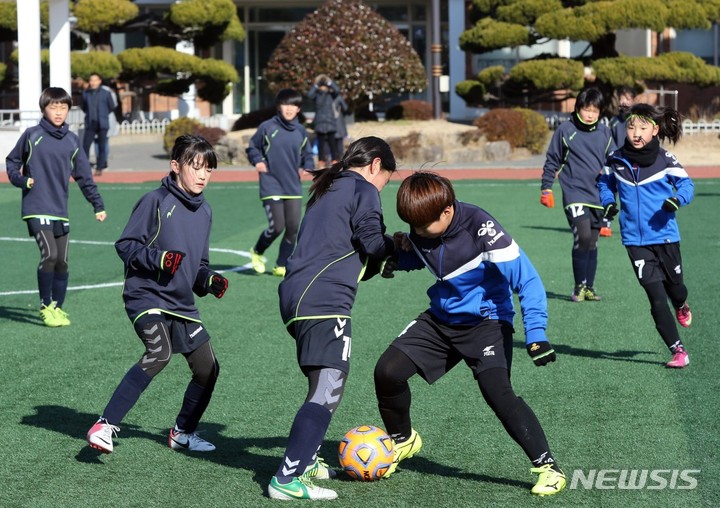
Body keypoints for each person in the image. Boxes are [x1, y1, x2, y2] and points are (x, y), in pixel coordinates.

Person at [374, 171, 566, 497]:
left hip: (487, 323)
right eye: (413, 226)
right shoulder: (424, 223)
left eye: (422, 227)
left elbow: (528, 281)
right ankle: (403, 441)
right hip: (441, 319)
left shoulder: (481, 228)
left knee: (497, 392)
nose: (418, 232)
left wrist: (536, 334)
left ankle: (549, 466)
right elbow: (427, 257)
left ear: (447, 211)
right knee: (387, 372)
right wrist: (398, 258)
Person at [268, 136, 397, 501]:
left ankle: (305, 459)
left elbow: (348, 251)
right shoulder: (363, 190)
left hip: (296, 297)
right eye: (386, 179)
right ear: (375, 166)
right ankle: (287, 479)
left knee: (319, 385)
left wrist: (380, 260)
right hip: (323, 300)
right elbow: (372, 242)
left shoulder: (330, 188)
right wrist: (398, 246)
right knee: (329, 388)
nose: (382, 187)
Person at [86, 135, 229, 454]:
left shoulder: (205, 211)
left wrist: (208, 280)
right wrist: (159, 259)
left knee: (208, 367)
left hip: (180, 303)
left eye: (209, 168)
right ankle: (104, 426)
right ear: (176, 166)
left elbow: (197, 265)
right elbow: (125, 246)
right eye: (196, 167)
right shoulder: (156, 201)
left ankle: (182, 433)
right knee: (159, 352)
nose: (203, 175)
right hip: (146, 294)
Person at [598, 104, 693, 368]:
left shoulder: (665, 159)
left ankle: (682, 304)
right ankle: (678, 351)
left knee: (676, 289)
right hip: (635, 241)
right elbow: (605, 183)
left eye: (642, 127)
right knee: (655, 296)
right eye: (631, 127)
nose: (636, 133)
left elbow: (686, 184)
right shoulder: (616, 160)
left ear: (655, 130)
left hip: (665, 236)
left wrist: (677, 199)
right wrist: (607, 201)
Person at [5, 87, 107, 327]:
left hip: (60, 209)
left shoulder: (72, 141)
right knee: (49, 255)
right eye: (54, 107)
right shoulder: (32, 135)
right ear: (44, 109)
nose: (59, 112)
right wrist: (22, 180)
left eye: (63, 107)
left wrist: (97, 205)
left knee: (62, 261)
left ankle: (58, 308)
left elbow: (84, 176)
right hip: (36, 205)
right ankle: (44, 306)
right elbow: (12, 162)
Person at [540, 87, 615, 302]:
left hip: (598, 195)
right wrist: (546, 187)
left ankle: (589, 287)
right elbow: (552, 160)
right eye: (586, 109)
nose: (590, 114)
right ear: (578, 108)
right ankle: (578, 287)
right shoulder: (565, 130)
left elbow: (614, 163)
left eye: (595, 110)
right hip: (574, 192)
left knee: (592, 242)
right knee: (582, 237)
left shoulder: (605, 133)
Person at [246, 88, 314, 277]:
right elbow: (253, 147)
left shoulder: (301, 131)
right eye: (286, 104)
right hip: (271, 183)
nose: (290, 108)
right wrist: (258, 161)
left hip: (292, 185)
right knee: (277, 226)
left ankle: (281, 264)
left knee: (293, 228)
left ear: (299, 109)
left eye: (294, 105)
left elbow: (307, 154)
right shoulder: (267, 127)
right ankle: (257, 252)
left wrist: (307, 166)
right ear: (278, 106)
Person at [601, 86, 638, 237]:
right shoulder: (614, 121)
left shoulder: (638, 119)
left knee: (632, 194)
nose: (624, 101)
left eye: (628, 99)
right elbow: (610, 141)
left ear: (634, 100)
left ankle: (634, 224)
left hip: (633, 162)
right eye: (622, 98)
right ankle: (606, 223)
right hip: (615, 160)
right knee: (609, 190)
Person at [81, 72, 117, 176]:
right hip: (90, 122)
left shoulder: (106, 93)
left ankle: (100, 167)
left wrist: (103, 114)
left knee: (102, 145)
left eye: (95, 80)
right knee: (85, 145)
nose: (93, 82)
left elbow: (111, 106)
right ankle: (84, 167)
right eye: (91, 80)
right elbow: (83, 107)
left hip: (102, 122)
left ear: (100, 81)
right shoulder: (85, 93)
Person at [307, 74, 341, 166]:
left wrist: (329, 82)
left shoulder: (331, 94)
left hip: (330, 121)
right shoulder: (316, 95)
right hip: (320, 122)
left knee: (332, 143)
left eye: (324, 85)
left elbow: (337, 90)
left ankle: (334, 160)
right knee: (320, 144)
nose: (323, 86)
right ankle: (321, 161)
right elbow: (309, 95)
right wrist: (316, 85)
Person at [332, 93, 350, 162]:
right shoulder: (338, 98)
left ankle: (335, 160)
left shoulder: (325, 97)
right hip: (338, 126)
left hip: (329, 126)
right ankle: (340, 161)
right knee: (339, 147)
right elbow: (346, 109)